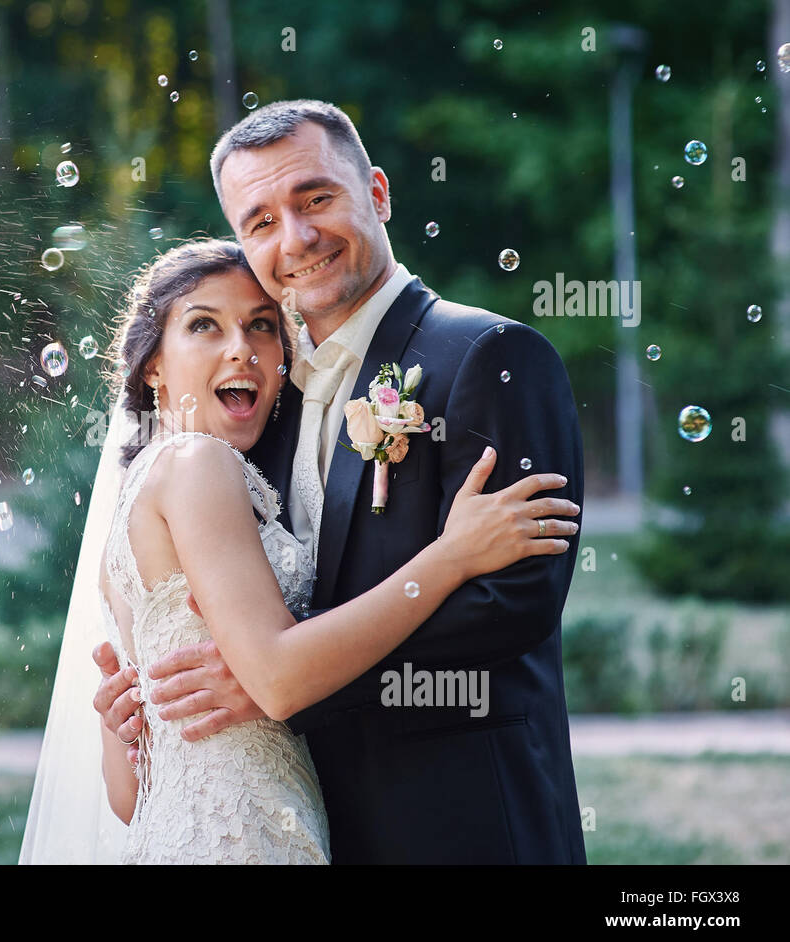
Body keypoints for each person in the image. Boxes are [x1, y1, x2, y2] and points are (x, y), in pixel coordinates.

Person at [93, 99, 588, 864]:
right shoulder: (260, 412)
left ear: (378, 194)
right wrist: (144, 714)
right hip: (304, 823)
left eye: (315, 198)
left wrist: (280, 678)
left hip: (463, 825)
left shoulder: (491, 355)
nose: (296, 238)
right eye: (259, 221)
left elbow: (511, 604)